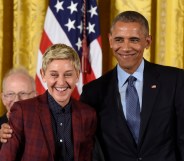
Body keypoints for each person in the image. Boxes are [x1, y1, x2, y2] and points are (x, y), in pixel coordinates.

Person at [80, 11, 184, 161]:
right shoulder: (93, 91)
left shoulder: (175, 81)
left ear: (147, 41)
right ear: (110, 41)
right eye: (119, 39)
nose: (126, 47)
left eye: (134, 40)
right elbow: (90, 148)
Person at [0, 43, 97, 161]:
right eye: (54, 75)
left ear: (77, 76)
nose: (61, 82)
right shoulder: (23, 111)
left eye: (68, 74)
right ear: (43, 75)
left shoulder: (88, 114)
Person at [0, 67, 37, 145]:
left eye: (23, 93)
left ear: (35, 97)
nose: (16, 100)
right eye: (10, 94)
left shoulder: (48, 127)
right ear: (3, 98)